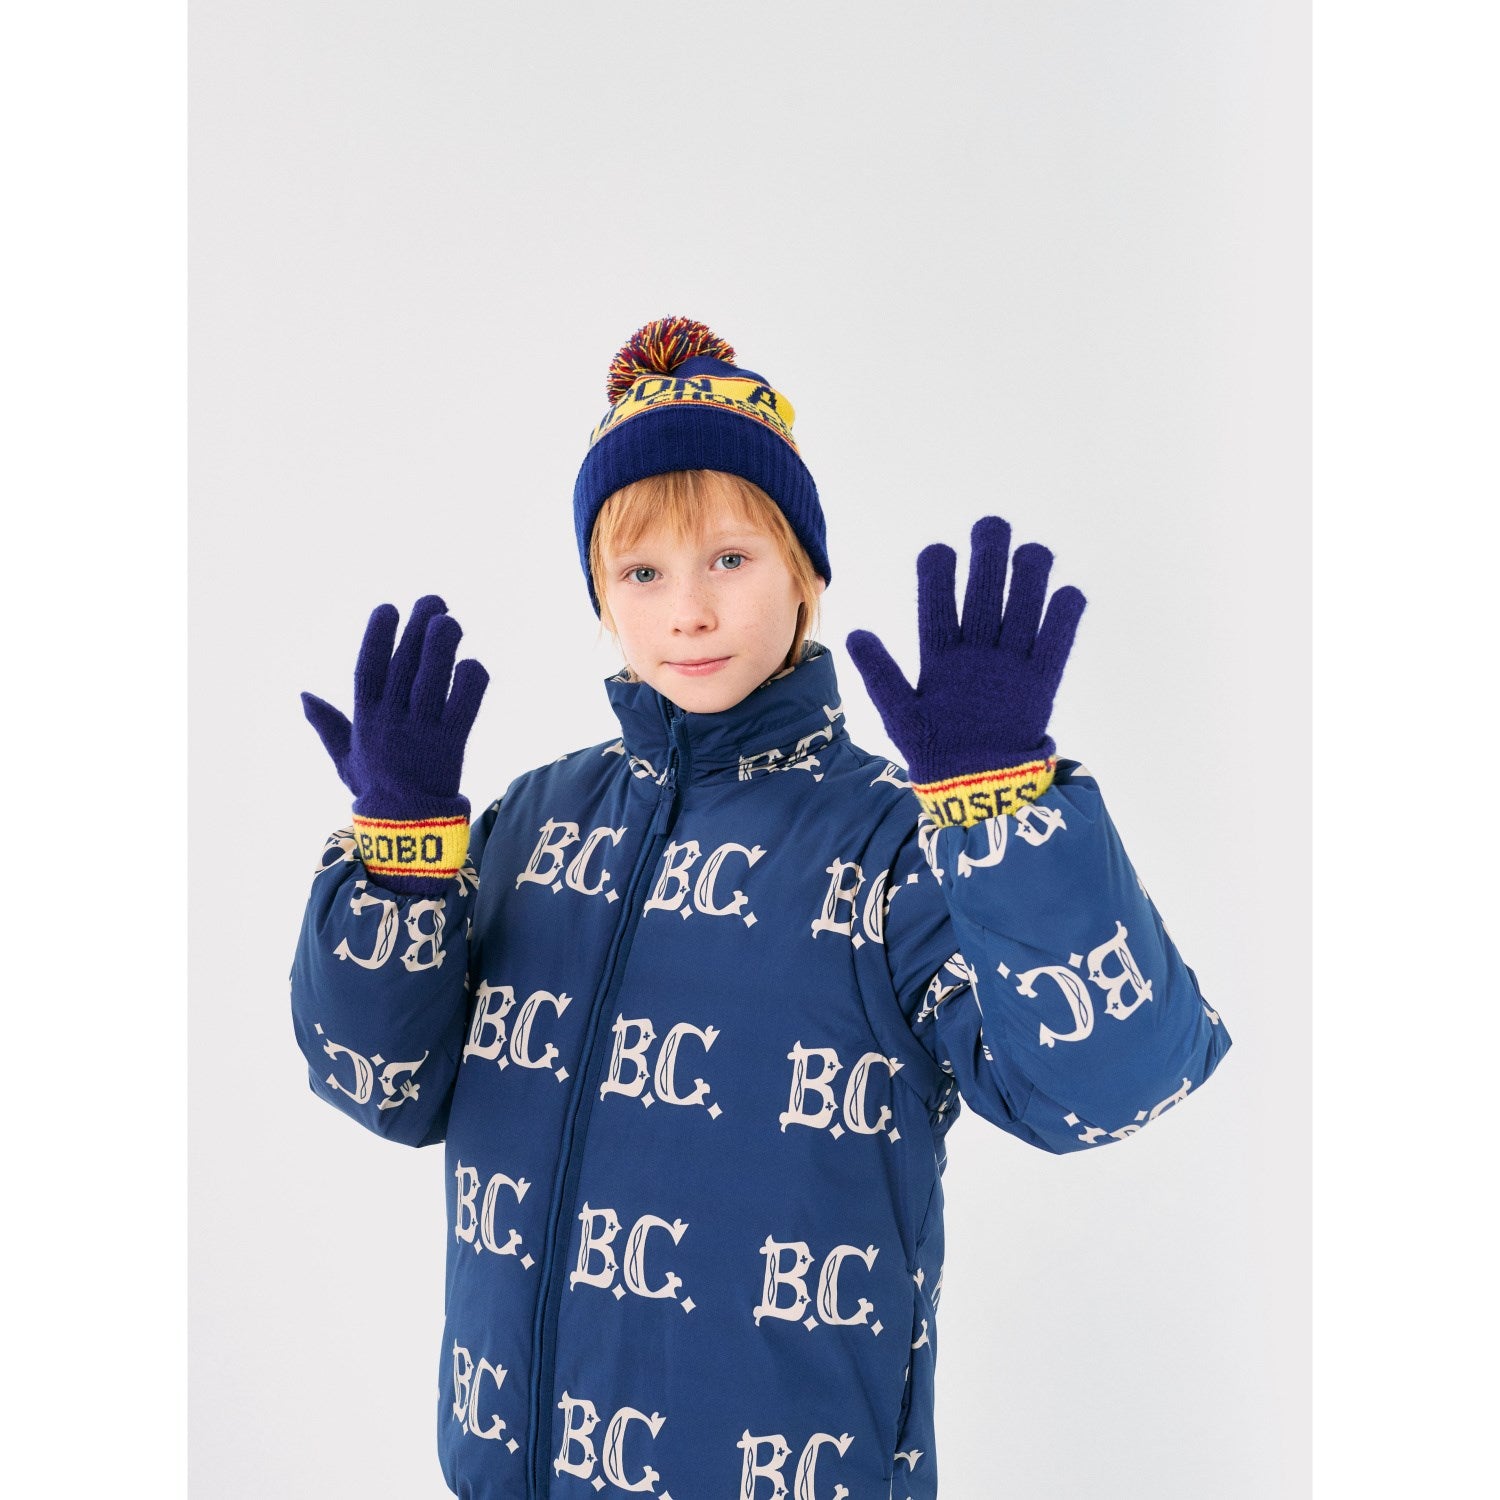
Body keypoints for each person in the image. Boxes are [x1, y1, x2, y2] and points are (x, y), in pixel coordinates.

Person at [292, 314, 1231, 1499]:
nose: (687, 611)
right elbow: (386, 1085)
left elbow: (1110, 1086)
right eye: (642, 573)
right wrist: (400, 864)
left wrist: (1005, 819)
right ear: (601, 599)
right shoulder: (536, 825)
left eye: (730, 560)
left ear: (805, 574)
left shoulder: (890, 850)